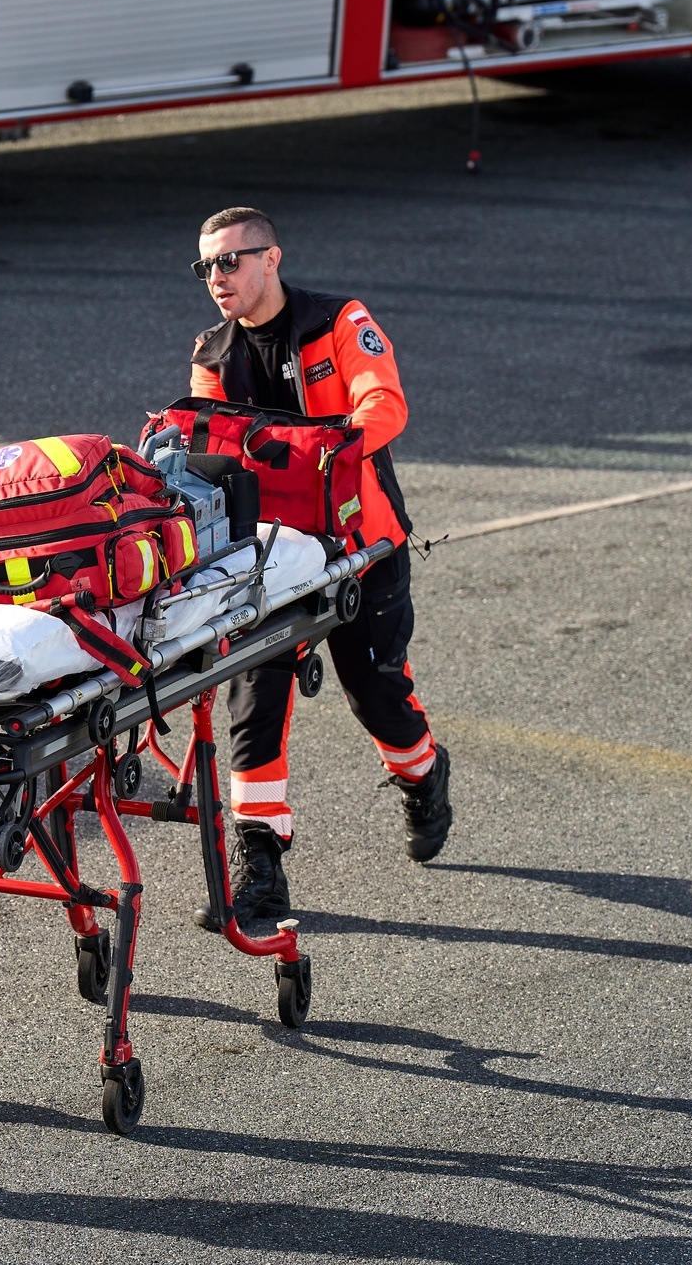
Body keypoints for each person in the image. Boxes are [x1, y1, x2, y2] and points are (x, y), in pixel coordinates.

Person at [184, 208, 452, 928]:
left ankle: (423, 775)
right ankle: (261, 866)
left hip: (363, 545)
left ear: (272, 259)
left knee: (377, 695)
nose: (217, 278)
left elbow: (384, 407)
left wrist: (306, 449)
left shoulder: (339, 321)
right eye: (206, 266)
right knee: (254, 699)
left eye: (231, 261)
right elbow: (208, 449)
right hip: (269, 558)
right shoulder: (212, 353)